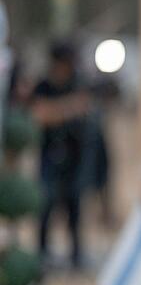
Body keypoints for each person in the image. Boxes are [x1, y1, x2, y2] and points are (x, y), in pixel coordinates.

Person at [30, 42, 91, 270]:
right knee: (45, 206)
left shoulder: (77, 82)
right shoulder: (44, 85)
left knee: (74, 208)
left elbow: (84, 107)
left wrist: (58, 110)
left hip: (74, 158)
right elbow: (40, 114)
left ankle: (76, 256)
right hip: (49, 155)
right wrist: (68, 108)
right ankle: (42, 254)